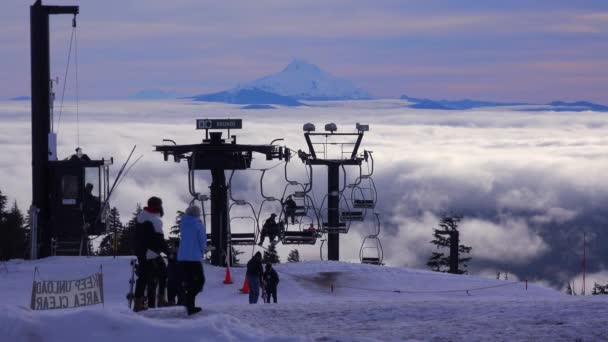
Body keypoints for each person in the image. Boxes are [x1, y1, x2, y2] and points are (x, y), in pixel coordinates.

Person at [133, 196, 169, 312]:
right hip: (151, 252)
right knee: (162, 273)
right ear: (158, 206)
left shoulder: (142, 216)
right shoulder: (155, 220)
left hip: (141, 251)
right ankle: (160, 300)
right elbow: (159, 240)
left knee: (143, 278)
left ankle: (139, 303)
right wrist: (169, 252)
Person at [177, 205, 207, 315]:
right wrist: (202, 252)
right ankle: (188, 302)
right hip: (194, 258)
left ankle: (190, 306)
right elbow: (202, 240)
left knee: (189, 282)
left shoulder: (183, 224)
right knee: (200, 281)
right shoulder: (198, 224)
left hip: (182, 258)